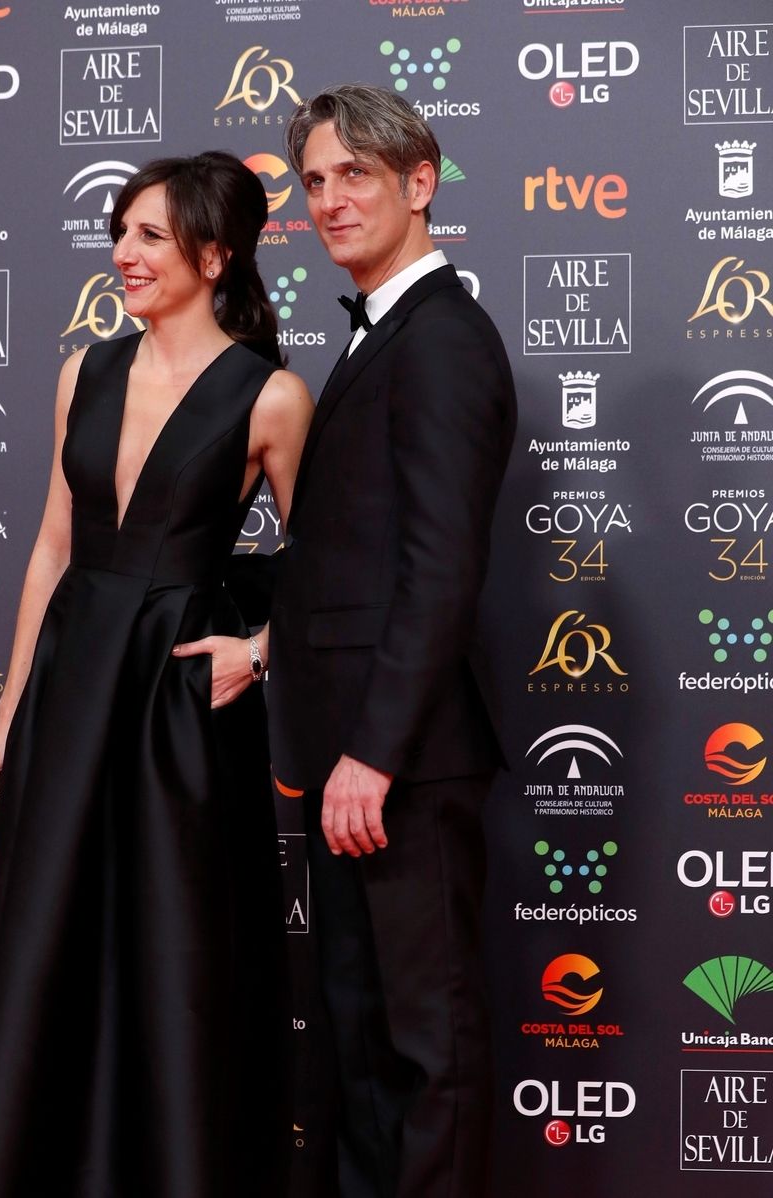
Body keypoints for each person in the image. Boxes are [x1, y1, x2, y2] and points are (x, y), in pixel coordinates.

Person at [0, 150, 314, 1198]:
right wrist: (8, 715)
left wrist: (258, 650)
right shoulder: (85, 372)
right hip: (67, 691)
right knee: (44, 945)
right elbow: (52, 546)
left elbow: (327, 566)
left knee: (171, 956)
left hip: (175, 708)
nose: (124, 254)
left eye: (151, 236)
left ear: (214, 255)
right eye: (121, 233)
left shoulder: (272, 397)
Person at [266, 85, 517, 1198]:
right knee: (362, 1046)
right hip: (350, 761)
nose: (329, 199)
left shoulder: (443, 338)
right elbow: (354, 562)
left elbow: (439, 569)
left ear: (421, 183)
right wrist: (262, 651)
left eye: (355, 174)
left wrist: (373, 752)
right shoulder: (384, 338)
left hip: (397, 761)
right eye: (314, 180)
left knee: (425, 1041)